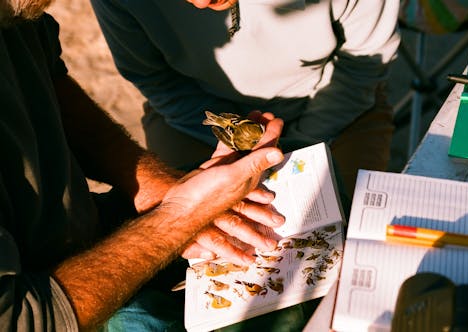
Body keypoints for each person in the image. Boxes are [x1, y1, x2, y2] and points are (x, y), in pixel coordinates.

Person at [0, 2, 287, 330]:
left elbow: (48, 82)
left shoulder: (17, 8)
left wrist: (159, 188)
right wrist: (178, 218)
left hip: (84, 229)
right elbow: (25, 318)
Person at [90, 0, 401, 198]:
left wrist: (293, 147)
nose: (199, 3)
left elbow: (362, 67)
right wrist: (235, 138)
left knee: (343, 228)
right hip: (195, 116)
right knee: (187, 246)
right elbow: (154, 78)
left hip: (336, 107)